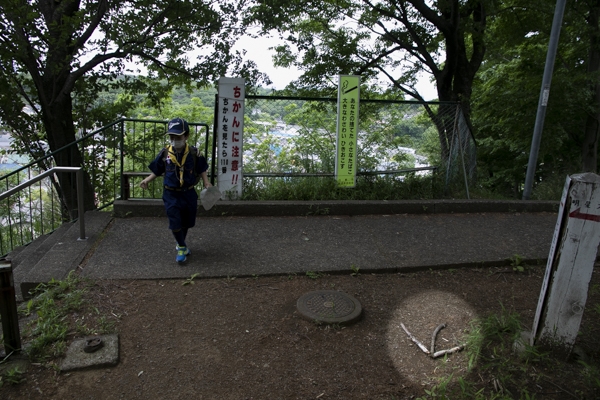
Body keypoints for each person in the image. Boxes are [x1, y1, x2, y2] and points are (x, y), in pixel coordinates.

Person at [140, 117, 212, 263]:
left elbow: (202, 168)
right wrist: (147, 180)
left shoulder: (194, 153)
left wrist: (206, 182)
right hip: (171, 193)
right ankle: (181, 245)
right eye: (172, 137)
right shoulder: (165, 154)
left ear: (186, 136)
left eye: (178, 137)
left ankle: (181, 244)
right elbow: (157, 170)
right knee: (174, 221)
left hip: (189, 193)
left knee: (187, 221)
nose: (175, 140)